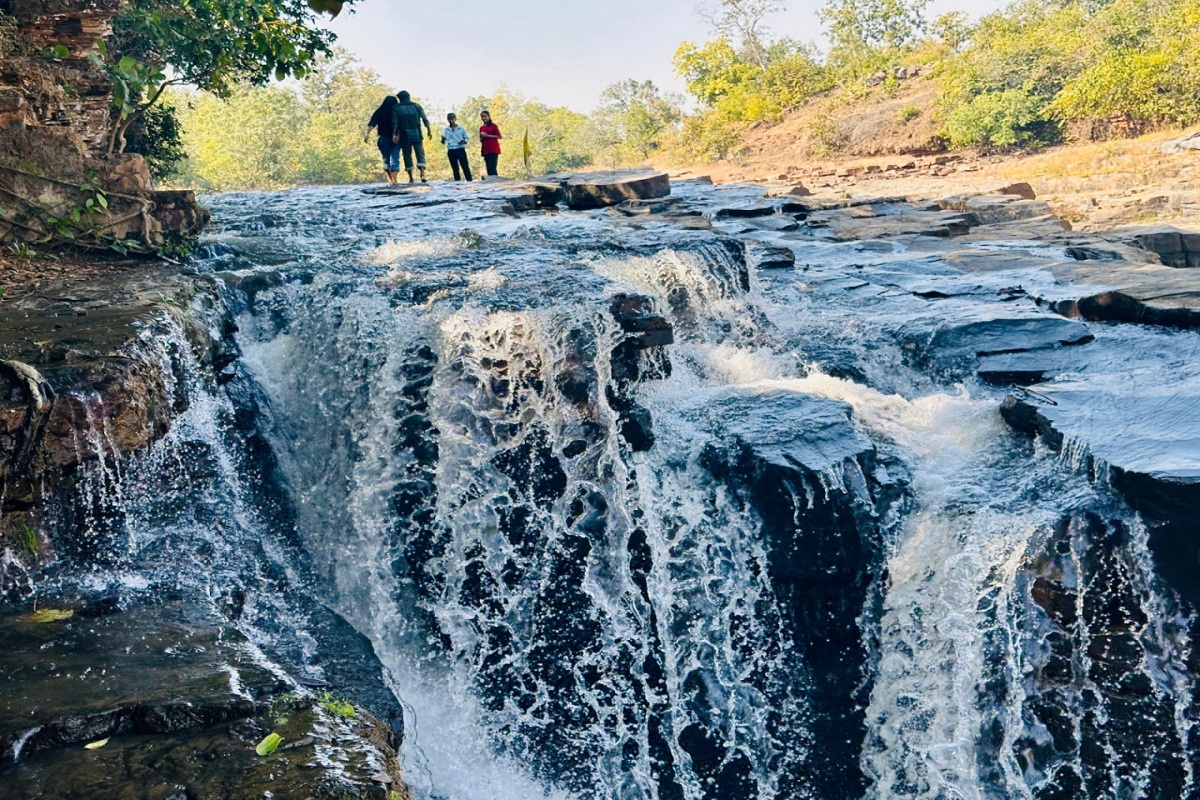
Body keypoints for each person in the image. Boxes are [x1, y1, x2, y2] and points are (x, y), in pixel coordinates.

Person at [391, 90, 433, 183]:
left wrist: (394, 134)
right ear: (409, 97)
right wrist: (429, 130)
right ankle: (422, 174)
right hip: (417, 134)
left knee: (407, 155)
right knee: (420, 153)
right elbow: (424, 119)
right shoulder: (416, 106)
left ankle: (411, 177)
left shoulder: (396, 108)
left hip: (404, 135)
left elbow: (395, 123)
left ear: (399, 98)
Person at [364, 94, 400, 185]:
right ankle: (395, 180)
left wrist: (367, 134)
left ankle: (390, 180)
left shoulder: (379, 111)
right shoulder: (397, 111)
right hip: (396, 138)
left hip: (383, 138)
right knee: (394, 158)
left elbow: (372, 123)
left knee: (386, 159)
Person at [441, 113, 472, 182]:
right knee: (455, 168)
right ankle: (457, 182)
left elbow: (466, 138)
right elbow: (443, 141)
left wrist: (464, 141)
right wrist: (443, 138)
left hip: (460, 149)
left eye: (452, 119)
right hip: (451, 150)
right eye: (449, 119)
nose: (451, 120)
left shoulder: (461, 129)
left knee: (465, 166)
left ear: (455, 119)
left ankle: (469, 180)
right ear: (447, 120)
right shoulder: (446, 130)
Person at [479, 110, 502, 177]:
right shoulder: (482, 128)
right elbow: (481, 139)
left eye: (485, 116)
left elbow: (499, 136)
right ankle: (490, 183)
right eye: (482, 117)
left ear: (489, 117)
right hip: (486, 149)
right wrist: (482, 137)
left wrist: (487, 135)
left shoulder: (493, 126)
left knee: (492, 167)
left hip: (493, 149)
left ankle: (495, 182)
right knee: (488, 168)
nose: (484, 118)